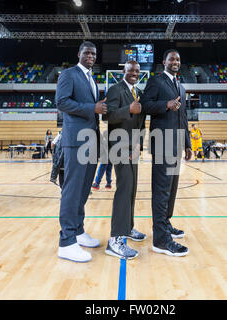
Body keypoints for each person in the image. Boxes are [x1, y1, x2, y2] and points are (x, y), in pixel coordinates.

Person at [55, 41, 107, 263]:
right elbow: (62, 102)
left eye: (93, 53)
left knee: (84, 190)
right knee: (72, 190)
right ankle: (66, 242)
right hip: (75, 141)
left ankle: (77, 230)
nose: (90, 56)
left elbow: (92, 109)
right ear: (79, 54)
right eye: (86, 52)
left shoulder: (92, 78)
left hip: (91, 141)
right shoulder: (69, 74)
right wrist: (91, 108)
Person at [141, 49, 192, 257]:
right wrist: (166, 105)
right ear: (164, 62)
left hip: (176, 145)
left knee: (171, 190)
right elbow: (143, 105)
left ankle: (166, 223)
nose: (175, 61)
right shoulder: (156, 81)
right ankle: (161, 240)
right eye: (172, 58)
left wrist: (188, 143)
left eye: (178, 59)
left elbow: (184, 116)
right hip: (162, 143)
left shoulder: (180, 85)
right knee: (161, 191)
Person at [104, 60, 146, 260]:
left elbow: (141, 123)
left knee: (132, 188)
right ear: (124, 71)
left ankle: (128, 227)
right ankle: (114, 240)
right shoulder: (115, 90)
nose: (134, 73)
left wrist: (139, 145)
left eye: (137, 71)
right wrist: (128, 109)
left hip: (133, 149)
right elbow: (108, 116)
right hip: (119, 147)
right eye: (131, 70)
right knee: (123, 189)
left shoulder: (139, 92)